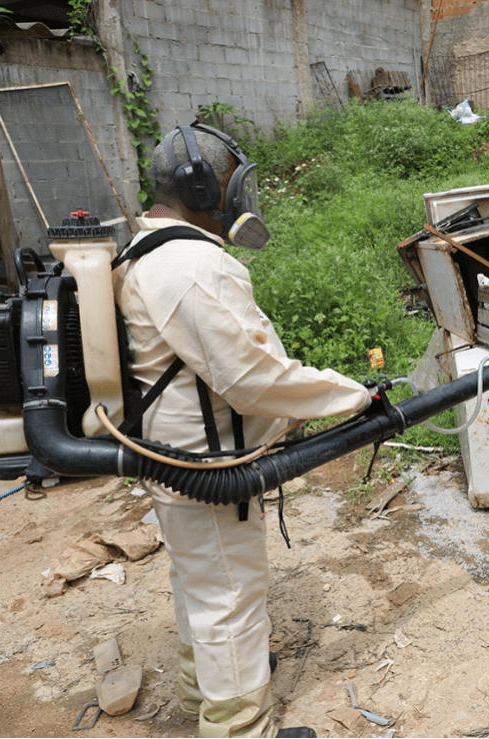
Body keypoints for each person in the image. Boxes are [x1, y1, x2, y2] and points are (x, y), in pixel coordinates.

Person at [112, 122, 371, 738]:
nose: (238, 197)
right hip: (207, 463)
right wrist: (351, 394)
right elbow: (252, 377)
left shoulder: (143, 250)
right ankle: (239, 727)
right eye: (230, 183)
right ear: (200, 186)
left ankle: (204, 689)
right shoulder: (191, 263)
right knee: (230, 595)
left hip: (170, 456)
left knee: (199, 585)